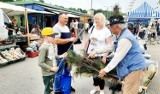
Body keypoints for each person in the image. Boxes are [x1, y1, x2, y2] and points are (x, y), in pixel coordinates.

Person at [89, 15, 147, 94]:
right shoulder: (121, 34)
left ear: (118, 27)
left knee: (128, 92)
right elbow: (112, 46)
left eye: (111, 26)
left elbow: (117, 57)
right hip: (130, 68)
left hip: (134, 69)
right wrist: (97, 51)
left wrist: (105, 70)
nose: (109, 27)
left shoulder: (125, 38)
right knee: (125, 90)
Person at [84, 13, 112, 94]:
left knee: (101, 73)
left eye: (97, 19)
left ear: (102, 20)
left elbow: (109, 45)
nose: (95, 21)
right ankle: (96, 87)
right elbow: (87, 40)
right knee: (93, 73)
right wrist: (84, 52)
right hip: (90, 54)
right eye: (95, 19)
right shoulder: (92, 28)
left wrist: (104, 56)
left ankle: (102, 89)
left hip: (100, 55)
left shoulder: (106, 31)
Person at [53, 12, 76, 94]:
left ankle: (67, 86)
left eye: (67, 18)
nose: (67, 20)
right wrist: (69, 40)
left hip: (69, 53)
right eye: (65, 18)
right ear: (59, 18)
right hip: (60, 54)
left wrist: (72, 39)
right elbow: (56, 41)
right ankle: (57, 90)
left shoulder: (66, 27)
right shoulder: (56, 28)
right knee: (58, 73)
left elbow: (67, 38)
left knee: (68, 71)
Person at [38, 27, 59, 94]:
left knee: (52, 89)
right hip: (47, 74)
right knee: (48, 90)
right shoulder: (43, 48)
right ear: (46, 36)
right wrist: (51, 68)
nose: (54, 37)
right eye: (52, 36)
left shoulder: (50, 45)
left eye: (54, 35)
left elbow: (52, 56)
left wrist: (60, 56)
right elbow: (40, 63)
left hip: (52, 71)